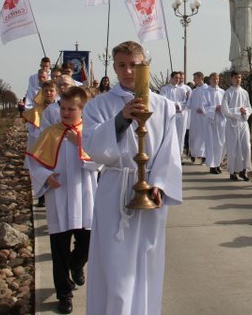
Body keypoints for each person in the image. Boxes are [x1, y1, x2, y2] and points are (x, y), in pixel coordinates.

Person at [82, 41, 182, 315]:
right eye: (122, 65)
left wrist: (160, 183)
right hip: (116, 186)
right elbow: (91, 145)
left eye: (134, 65)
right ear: (114, 67)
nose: (128, 71)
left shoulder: (163, 105)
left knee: (147, 264)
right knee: (116, 270)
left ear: (144, 65)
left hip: (150, 191)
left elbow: (169, 151)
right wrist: (120, 120)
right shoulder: (99, 105)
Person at [25, 86, 98, 314]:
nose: (65, 113)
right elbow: (32, 163)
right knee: (59, 251)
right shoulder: (50, 133)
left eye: (71, 109)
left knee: (87, 243)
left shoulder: (89, 133)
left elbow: (102, 162)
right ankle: (64, 294)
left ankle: (76, 265)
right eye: (63, 108)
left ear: (82, 109)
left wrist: (80, 144)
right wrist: (46, 177)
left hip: (85, 197)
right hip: (58, 198)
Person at [222, 70, 252, 181]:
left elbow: (249, 107)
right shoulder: (228, 93)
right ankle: (233, 172)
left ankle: (244, 171)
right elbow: (225, 109)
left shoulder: (244, 92)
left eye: (239, 77)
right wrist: (237, 111)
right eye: (236, 77)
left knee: (246, 147)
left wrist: (245, 111)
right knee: (233, 148)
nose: (238, 79)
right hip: (232, 124)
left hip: (243, 123)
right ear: (232, 79)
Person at [202, 72, 226, 174]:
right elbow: (204, 106)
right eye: (213, 79)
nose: (215, 80)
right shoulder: (205, 92)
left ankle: (218, 163)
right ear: (210, 80)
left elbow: (226, 105)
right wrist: (214, 108)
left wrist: (223, 109)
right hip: (211, 120)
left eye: (217, 79)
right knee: (212, 143)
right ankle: (212, 165)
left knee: (221, 143)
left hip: (221, 119)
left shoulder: (222, 92)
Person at [159, 71, 188, 155]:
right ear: (171, 78)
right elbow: (162, 100)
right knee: (169, 134)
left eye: (179, 78)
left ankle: (178, 154)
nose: (177, 80)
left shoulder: (182, 90)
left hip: (180, 116)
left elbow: (185, 102)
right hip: (169, 115)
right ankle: (168, 153)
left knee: (180, 135)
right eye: (176, 78)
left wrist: (178, 105)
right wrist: (173, 104)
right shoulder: (164, 89)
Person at [186, 71, 208, 164]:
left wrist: (203, 109)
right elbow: (189, 104)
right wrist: (188, 98)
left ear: (200, 78)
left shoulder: (207, 89)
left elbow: (209, 102)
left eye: (195, 78)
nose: (194, 80)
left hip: (203, 118)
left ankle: (203, 156)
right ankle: (193, 154)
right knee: (194, 136)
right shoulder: (194, 91)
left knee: (203, 137)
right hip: (194, 117)